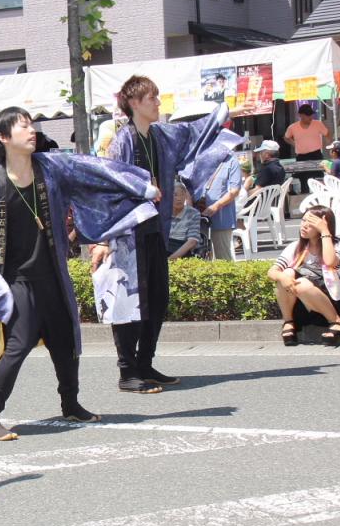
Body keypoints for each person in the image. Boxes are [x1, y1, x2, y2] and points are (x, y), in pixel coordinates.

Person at [0, 105, 162, 440]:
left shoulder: (51, 168)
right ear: (3, 136)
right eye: (23, 126)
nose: (31, 131)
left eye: (31, 125)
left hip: (53, 272)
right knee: (19, 341)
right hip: (15, 280)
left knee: (65, 340)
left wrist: (139, 187)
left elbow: (94, 170)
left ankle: (70, 404)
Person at [102, 75, 238, 393]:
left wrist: (219, 115)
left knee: (157, 299)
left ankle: (145, 363)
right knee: (129, 300)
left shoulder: (160, 135)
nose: (158, 102)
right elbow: (113, 186)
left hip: (155, 230)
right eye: (152, 97)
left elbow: (193, 134)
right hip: (129, 233)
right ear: (134, 102)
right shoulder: (123, 140)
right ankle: (127, 371)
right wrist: (106, 239)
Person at [268, 206, 340, 346]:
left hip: (331, 302)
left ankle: (336, 322)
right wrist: (283, 278)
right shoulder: (296, 246)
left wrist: (324, 231)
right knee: (286, 274)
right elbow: (272, 271)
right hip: (303, 307)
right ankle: (289, 322)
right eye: (303, 220)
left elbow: (330, 262)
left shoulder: (338, 244)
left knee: (302, 284)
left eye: (310, 223)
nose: (304, 225)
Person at [200, 150, 242, 260]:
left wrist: (216, 206)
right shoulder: (201, 158)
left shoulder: (231, 161)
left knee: (223, 257)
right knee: (201, 255)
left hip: (222, 216)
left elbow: (234, 191)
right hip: (199, 214)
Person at [284, 103, 330, 192]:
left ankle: (320, 199)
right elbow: (286, 137)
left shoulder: (318, 124)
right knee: (304, 181)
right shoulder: (293, 127)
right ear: (300, 115)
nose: (310, 118)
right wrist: (294, 144)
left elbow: (327, 134)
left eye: (311, 115)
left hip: (316, 155)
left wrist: (325, 144)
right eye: (307, 116)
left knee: (318, 179)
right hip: (302, 157)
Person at [167, 185, 201, 260]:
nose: (179, 198)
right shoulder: (163, 212)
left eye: (182, 194)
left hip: (182, 253)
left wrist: (170, 259)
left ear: (185, 196)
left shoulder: (193, 213)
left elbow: (192, 241)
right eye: (175, 195)